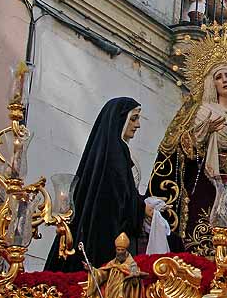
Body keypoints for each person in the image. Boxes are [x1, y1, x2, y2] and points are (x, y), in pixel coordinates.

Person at [147, 27, 227, 256]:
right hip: (206, 183)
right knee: (203, 240)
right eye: (218, 77)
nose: (224, 81)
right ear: (212, 83)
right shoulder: (199, 111)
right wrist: (202, 133)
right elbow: (178, 147)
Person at [44, 97, 154, 272]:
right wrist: (142, 208)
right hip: (108, 239)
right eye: (134, 118)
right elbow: (117, 199)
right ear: (120, 119)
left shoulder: (109, 150)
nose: (138, 125)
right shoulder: (117, 151)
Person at [85, 232, 146, 298]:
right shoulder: (112, 264)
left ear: (126, 251)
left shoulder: (132, 265)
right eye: (118, 250)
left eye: (122, 250)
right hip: (111, 294)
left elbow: (135, 284)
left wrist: (134, 278)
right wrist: (91, 269)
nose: (120, 252)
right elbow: (102, 274)